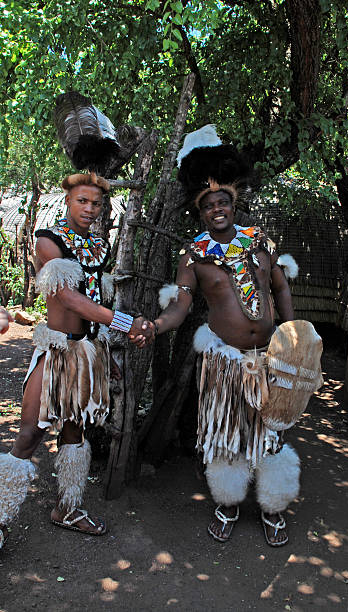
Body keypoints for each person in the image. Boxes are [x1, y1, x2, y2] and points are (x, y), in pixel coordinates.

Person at [130, 126, 301, 546]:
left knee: (271, 432)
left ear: (233, 203)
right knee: (227, 437)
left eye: (223, 201)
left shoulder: (259, 241)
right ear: (201, 211)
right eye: (209, 205)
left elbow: (280, 287)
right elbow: (182, 304)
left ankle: (273, 507)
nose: (217, 209)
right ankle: (227, 504)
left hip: (268, 357)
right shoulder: (194, 254)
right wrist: (155, 325)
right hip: (224, 362)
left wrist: (295, 334)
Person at [0, 172, 146, 549]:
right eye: (82, 200)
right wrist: (125, 323)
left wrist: (105, 353)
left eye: (96, 203)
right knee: (30, 434)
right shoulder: (48, 241)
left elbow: (96, 300)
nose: (90, 208)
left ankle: (67, 507)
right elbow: (68, 299)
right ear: (68, 200)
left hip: (87, 354)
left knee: (74, 433)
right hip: (56, 351)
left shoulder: (99, 245)